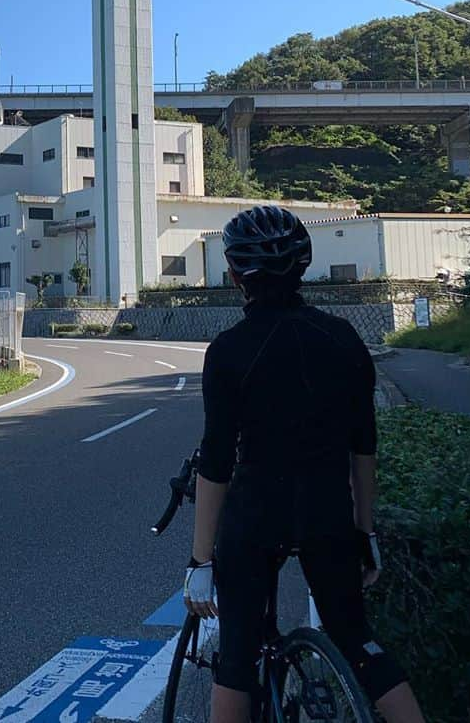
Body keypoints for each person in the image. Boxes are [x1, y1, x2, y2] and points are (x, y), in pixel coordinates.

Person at [183, 205, 424, 723]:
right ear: (303, 268)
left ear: (233, 274)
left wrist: (201, 562)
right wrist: (366, 533)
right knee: (357, 639)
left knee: (237, 657)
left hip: (255, 517)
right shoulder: (343, 339)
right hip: (328, 514)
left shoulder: (228, 351)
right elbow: (364, 448)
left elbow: (218, 462)